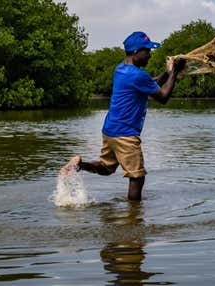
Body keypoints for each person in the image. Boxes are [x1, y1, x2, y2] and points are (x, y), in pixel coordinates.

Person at [60, 31, 186, 201]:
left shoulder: (120, 69)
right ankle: (133, 220)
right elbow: (163, 97)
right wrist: (174, 73)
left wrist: (167, 72)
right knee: (137, 177)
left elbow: (150, 83)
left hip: (110, 130)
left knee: (106, 168)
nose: (150, 55)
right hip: (126, 134)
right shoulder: (138, 75)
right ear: (136, 52)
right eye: (147, 51)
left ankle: (79, 165)